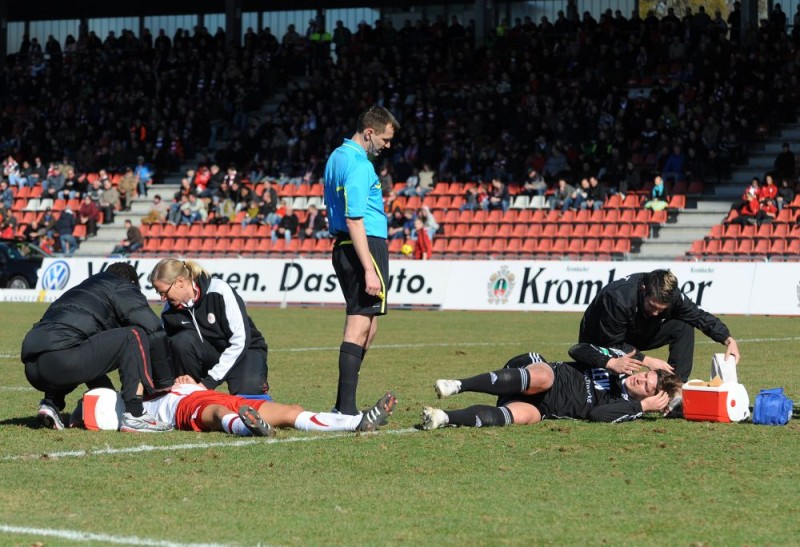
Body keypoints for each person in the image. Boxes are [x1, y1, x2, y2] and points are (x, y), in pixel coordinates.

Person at [20, 263, 174, 432]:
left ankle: (51, 403)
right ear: (131, 282)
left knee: (75, 345)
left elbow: (91, 355)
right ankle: (135, 415)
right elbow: (154, 330)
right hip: (63, 359)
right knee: (133, 335)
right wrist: (164, 383)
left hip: (32, 365)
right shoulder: (122, 286)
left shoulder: (86, 288)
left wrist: (107, 392)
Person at [323, 104, 400, 415]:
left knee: (369, 326)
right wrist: (369, 268)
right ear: (369, 133)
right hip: (362, 245)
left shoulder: (336, 157)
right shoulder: (359, 165)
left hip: (347, 246)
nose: (387, 146)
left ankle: (344, 402)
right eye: (385, 139)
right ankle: (346, 408)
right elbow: (355, 218)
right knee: (358, 325)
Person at [421, 343, 683, 430]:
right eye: (646, 376)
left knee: (525, 416)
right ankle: (458, 385)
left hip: (543, 407)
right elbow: (577, 349)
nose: (641, 380)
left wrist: (640, 407)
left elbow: (596, 415)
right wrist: (610, 362)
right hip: (536, 371)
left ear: (651, 398)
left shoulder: (629, 408)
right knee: (545, 378)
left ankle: (443, 417)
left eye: (647, 388)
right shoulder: (621, 361)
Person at [578, 269, 740, 382]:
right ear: (643, 290)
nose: (656, 313)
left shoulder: (673, 296)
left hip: (636, 331)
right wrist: (646, 360)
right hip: (599, 340)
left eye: (660, 309)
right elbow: (610, 341)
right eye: (652, 306)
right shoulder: (618, 298)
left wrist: (727, 339)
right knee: (612, 388)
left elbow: (698, 316)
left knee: (683, 324)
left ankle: (675, 385)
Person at [86, 379, 397, 435]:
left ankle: (355, 422)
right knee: (219, 416)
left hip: (215, 394)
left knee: (290, 410)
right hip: (186, 408)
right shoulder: (136, 406)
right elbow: (86, 414)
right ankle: (246, 428)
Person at [148, 258, 269, 395]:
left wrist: (208, 382)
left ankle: (255, 385)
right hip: (208, 355)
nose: (162, 298)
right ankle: (192, 396)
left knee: (247, 394)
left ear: (180, 282)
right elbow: (164, 352)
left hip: (244, 351)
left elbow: (240, 340)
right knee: (181, 341)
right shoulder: (168, 311)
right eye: (159, 293)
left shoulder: (219, 290)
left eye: (164, 292)